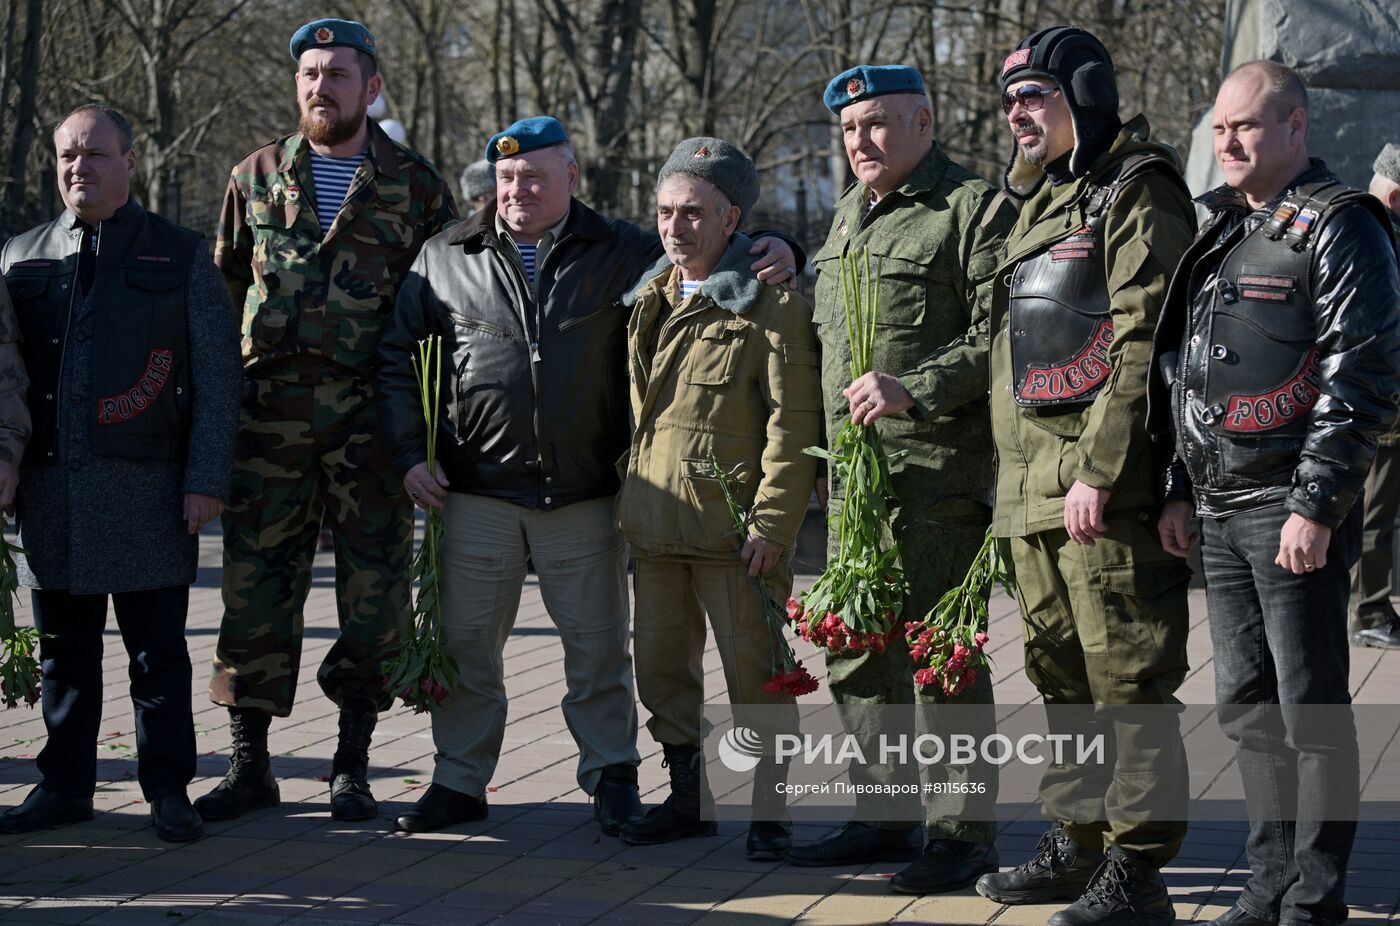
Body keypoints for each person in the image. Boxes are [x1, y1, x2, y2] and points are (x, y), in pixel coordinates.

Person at [375, 116, 800, 835]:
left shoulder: (625, 249)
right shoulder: (444, 255)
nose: (518, 189)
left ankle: (611, 776)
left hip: (584, 492)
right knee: (467, 641)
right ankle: (458, 779)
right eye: (506, 177)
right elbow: (396, 358)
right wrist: (411, 454)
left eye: (535, 176)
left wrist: (783, 246)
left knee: (598, 648)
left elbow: (708, 249)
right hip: (476, 489)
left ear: (571, 177)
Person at [1151, 61, 1400, 926]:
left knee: (1310, 712)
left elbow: (1361, 373)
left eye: (1247, 126)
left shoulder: (1344, 225)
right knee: (1247, 712)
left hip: (1289, 509)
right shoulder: (1220, 226)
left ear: (1296, 128)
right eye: (1220, 128)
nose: (1228, 142)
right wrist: (1177, 487)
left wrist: (1317, 503)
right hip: (1218, 507)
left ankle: (1316, 899)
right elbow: (1183, 370)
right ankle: (1265, 886)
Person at [200, 18, 458, 824]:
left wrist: (431, 435)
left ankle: (353, 762)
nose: (322, 87)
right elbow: (222, 299)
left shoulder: (417, 187)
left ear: (370, 88)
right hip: (267, 422)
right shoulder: (255, 176)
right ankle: (250, 764)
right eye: (311, 73)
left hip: (371, 423)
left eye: (338, 74)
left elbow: (443, 314)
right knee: (253, 590)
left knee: (375, 594)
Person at [971, 27, 1195, 926]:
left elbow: (1145, 338)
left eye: (1036, 95)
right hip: (1031, 487)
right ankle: (1080, 841)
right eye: (1010, 100)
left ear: (1086, 94)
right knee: (1060, 677)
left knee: (1128, 681)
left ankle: (1139, 871)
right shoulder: (1042, 200)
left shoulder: (1138, 189)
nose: (1017, 114)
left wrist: (1102, 470)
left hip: (1100, 489)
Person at [785, 64, 1015, 894]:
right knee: (857, 654)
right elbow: (829, 351)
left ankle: (960, 836)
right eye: (850, 129)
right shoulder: (849, 213)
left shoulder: (970, 209)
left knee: (937, 658)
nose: (861, 140)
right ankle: (881, 813)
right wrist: (822, 459)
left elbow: (1004, 335)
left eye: (877, 123)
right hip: (855, 484)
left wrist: (915, 386)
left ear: (924, 121)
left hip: (933, 479)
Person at [0, 104, 241, 843]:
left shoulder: (180, 254)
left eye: (96, 154)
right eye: (68, 156)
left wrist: (206, 478)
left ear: (130, 163)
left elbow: (218, 376)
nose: (80, 168)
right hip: (51, 490)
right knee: (63, 656)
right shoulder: (21, 256)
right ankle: (64, 787)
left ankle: (167, 790)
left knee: (157, 653)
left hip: (149, 488)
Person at [613, 137, 822, 860]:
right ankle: (686, 798)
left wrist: (774, 523)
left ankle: (770, 809)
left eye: (694, 213)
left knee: (757, 677)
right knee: (661, 672)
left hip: (735, 537)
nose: (676, 227)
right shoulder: (648, 296)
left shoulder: (772, 305)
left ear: (733, 219)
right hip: (655, 528)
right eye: (666, 212)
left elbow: (794, 423)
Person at [1349, 144, 1400, 650]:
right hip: (1382, 408)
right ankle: (1369, 610)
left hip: (1379, 402)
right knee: (1374, 512)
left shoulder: (1371, 231)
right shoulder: (1379, 238)